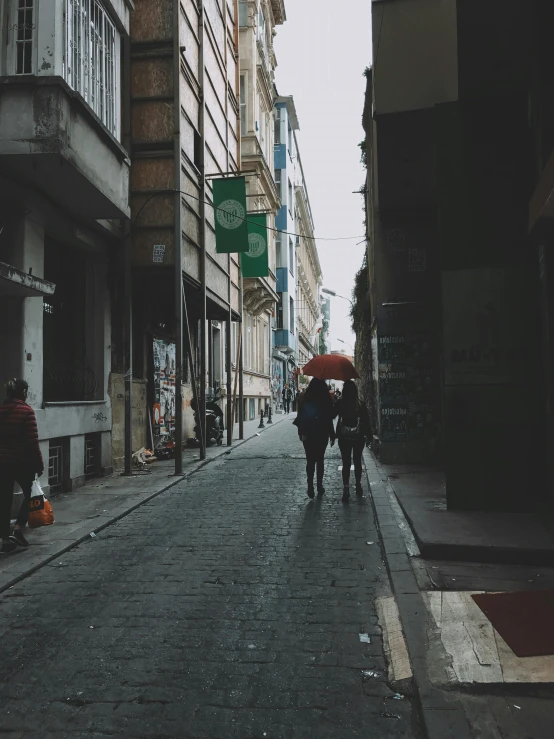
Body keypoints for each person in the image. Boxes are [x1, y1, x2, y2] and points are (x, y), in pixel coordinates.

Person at [0, 379, 44, 552]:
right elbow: (32, 442)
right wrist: (39, 464)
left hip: (2, 462)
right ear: (23, 392)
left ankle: (4, 540)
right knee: (33, 496)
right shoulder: (26, 411)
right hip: (21, 462)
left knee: (4, 500)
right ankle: (18, 528)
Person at [293, 377, 336, 499]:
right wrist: (332, 434)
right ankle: (319, 486)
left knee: (310, 461)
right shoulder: (325, 399)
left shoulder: (304, 398)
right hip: (321, 433)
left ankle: (310, 486)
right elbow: (329, 418)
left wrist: (300, 433)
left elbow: (300, 417)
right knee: (320, 459)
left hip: (308, 433)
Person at [334, 380, 371, 502]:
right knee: (357, 461)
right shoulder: (360, 404)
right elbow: (366, 422)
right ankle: (358, 485)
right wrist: (369, 436)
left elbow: (332, 415)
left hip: (344, 437)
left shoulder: (340, 403)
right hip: (358, 437)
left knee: (346, 463)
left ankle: (346, 488)